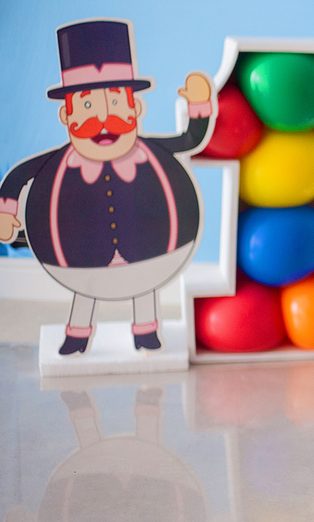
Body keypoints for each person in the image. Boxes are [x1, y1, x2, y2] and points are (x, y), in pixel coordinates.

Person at [0, 19, 212, 354]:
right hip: (79, 253)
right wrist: (7, 209)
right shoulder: (55, 165)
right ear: (66, 117)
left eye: (115, 103)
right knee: (85, 287)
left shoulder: (151, 154)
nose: (102, 119)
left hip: (147, 246)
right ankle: (77, 335)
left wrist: (199, 105)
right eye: (86, 106)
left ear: (135, 108)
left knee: (145, 285)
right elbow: (18, 175)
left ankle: (145, 333)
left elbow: (191, 139)